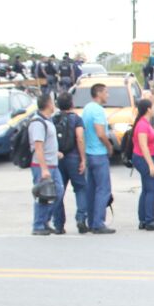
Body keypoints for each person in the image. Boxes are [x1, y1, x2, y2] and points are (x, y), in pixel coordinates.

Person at [80, 82, 116, 234]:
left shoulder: (87, 108)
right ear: (99, 93)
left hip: (89, 153)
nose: (107, 95)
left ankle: (91, 220)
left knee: (91, 189)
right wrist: (109, 146)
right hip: (99, 153)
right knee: (103, 189)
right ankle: (98, 223)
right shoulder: (98, 110)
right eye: (106, 92)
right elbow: (101, 133)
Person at [52, 92, 88, 234]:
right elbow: (79, 138)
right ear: (72, 104)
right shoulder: (76, 119)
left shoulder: (53, 119)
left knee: (59, 191)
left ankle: (58, 224)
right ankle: (81, 218)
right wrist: (83, 159)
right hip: (73, 157)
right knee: (80, 188)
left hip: (58, 158)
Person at [27, 93, 63, 235]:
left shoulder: (47, 120)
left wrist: (56, 153)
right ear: (48, 104)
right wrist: (43, 169)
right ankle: (38, 225)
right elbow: (38, 147)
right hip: (42, 166)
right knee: (43, 195)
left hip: (52, 164)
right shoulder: (38, 123)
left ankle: (45, 221)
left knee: (57, 193)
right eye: (52, 102)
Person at [130, 96, 154, 231]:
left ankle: (144, 219)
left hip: (148, 157)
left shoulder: (145, 123)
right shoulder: (142, 125)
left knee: (146, 189)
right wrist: (151, 164)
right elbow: (143, 146)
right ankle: (150, 220)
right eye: (153, 107)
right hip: (143, 158)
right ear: (148, 109)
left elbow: (151, 145)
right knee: (152, 188)